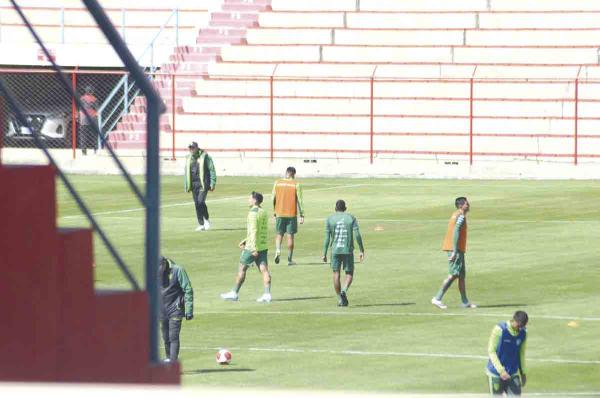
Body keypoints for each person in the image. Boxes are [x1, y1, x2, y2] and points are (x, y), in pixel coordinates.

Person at [221, 191, 271, 303]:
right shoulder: (264, 212)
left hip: (252, 247)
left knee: (242, 268)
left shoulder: (252, 213)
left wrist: (252, 248)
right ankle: (267, 294)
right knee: (264, 269)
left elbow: (253, 231)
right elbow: (260, 230)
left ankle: (234, 293)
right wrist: (244, 240)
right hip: (263, 245)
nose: (248, 200)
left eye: (250, 198)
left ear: (254, 200)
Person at [431, 197, 476, 309]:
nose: (468, 205)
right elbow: (456, 231)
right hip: (455, 249)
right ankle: (437, 298)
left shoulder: (456, 214)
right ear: (461, 206)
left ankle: (465, 302)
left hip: (456, 248)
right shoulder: (460, 216)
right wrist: (455, 251)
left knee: (461, 275)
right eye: (466, 204)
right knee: (453, 274)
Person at [322, 200, 364, 307]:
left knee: (336, 274)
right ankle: (343, 291)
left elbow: (327, 238)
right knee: (349, 273)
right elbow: (357, 235)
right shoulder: (351, 218)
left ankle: (340, 298)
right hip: (347, 250)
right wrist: (361, 249)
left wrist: (324, 253)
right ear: (345, 208)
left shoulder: (330, 219)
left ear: (335, 208)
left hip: (335, 250)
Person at [158, 256, 194, 363]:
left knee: (173, 336)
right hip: (161, 310)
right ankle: (169, 358)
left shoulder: (178, 270)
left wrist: (189, 309)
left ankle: (173, 363)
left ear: (164, 264)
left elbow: (188, 289)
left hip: (175, 308)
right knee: (165, 337)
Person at [486, 311, 528, 396]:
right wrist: (501, 371)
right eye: (519, 325)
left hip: (512, 373)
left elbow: (521, 353)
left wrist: (523, 372)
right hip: (495, 373)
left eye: (522, 326)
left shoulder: (523, 333)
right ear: (514, 320)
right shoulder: (500, 329)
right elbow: (491, 351)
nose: (520, 328)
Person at [272, 166, 305, 266]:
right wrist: (302, 214)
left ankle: (278, 250)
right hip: (291, 214)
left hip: (279, 213)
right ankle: (290, 260)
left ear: (286, 173)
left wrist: (274, 212)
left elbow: (273, 198)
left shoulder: (277, 183)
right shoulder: (296, 184)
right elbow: (300, 200)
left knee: (279, 234)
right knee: (290, 236)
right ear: (293, 174)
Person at [184, 142, 216, 231]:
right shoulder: (188, 158)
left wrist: (212, 183)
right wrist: (186, 185)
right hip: (194, 184)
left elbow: (212, 169)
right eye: (190, 147)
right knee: (197, 204)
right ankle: (201, 224)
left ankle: (206, 219)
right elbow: (186, 172)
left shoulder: (205, 156)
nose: (191, 149)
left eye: (193, 147)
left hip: (203, 183)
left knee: (201, 201)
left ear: (197, 148)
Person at [78, 86, 97, 155]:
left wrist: (79, 117)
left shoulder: (82, 98)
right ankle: (95, 149)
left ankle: (83, 150)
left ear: (85, 91)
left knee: (83, 135)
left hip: (83, 118)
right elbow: (97, 109)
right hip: (93, 118)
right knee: (94, 135)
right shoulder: (94, 99)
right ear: (92, 92)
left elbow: (80, 108)